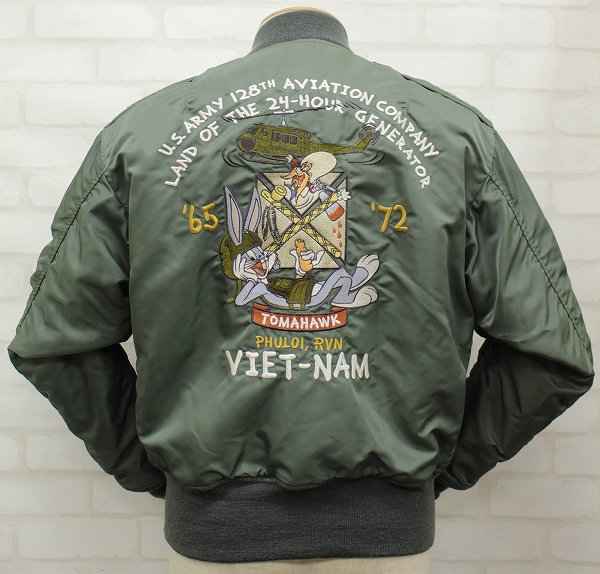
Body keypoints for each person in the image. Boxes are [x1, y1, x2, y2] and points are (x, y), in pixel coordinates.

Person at [6, 6, 595, 574]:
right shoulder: (456, 135)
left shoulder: (142, 134)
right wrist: (427, 471)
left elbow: (56, 342)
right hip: (390, 542)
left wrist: (163, 471)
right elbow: (551, 352)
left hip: (209, 537)